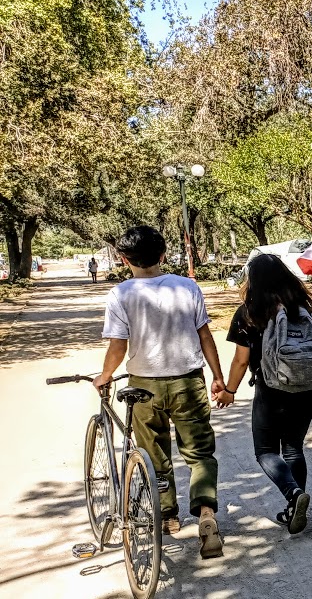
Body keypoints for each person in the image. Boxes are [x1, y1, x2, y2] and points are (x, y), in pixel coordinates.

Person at [93, 226, 225, 559]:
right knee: (199, 453)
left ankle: (168, 517)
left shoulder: (121, 294)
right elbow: (205, 337)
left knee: (154, 456)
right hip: (188, 382)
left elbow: (118, 345)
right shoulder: (187, 287)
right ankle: (206, 513)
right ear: (163, 255)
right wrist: (218, 377)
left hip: (143, 388)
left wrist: (105, 375)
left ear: (124, 260)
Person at [218, 253, 312, 535]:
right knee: (293, 448)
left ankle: (293, 494)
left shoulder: (250, 312)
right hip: (308, 389)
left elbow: (241, 360)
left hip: (272, 390)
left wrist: (230, 390)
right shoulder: (303, 307)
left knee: (266, 450)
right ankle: (295, 506)